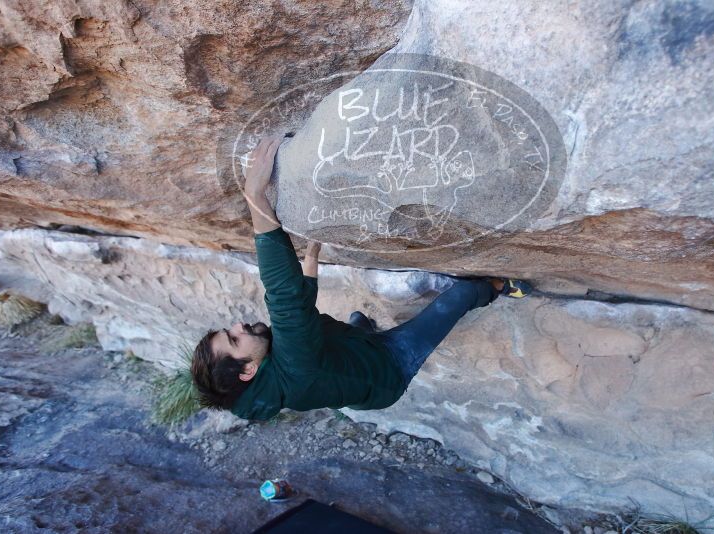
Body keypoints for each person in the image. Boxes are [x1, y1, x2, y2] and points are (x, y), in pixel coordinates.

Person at [190, 136, 532, 420]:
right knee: (459, 297)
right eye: (234, 340)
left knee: (356, 322)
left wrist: (310, 262)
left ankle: (362, 331)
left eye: (228, 331)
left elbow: (300, 316)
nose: (238, 327)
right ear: (248, 371)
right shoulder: (294, 370)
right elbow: (287, 299)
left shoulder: (273, 367)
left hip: (346, 356)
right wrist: (255, 196)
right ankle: (498, 288)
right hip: (388, 369)